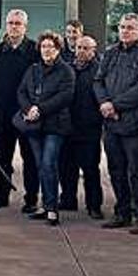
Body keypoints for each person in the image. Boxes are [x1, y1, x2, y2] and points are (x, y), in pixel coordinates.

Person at [95, 13, 138, 235]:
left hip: (135, 124)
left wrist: (115, 105)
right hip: (111, 124)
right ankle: (122, 212)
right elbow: (98, 80)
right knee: (116, 170)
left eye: (130, 28)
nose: (125, 31)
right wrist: (104, 102)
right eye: (122, 27)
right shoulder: (111, 53)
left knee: (137, 171)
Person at [0, 9, 40, 212]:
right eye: (10, 23)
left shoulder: (34, 50)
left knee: (30, 159)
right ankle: (1, 195)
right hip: (3, 116)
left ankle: (31, 199)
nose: (14, 27)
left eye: (18, 23)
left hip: (26, 116)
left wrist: (32, 109)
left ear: (25, 27)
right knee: (3, 158)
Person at [17, 31, 75, 225]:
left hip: (55, 125)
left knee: (49, 164)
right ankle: (45, 204)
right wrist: (29, 109)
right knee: (41, 165)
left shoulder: (66, 71)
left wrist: (39, 109)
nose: (47, 50)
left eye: (51, 46)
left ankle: (52, 208)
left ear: (58, 49)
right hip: (34, 125)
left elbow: (65, 97)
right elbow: (22, 91)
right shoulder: (33, 69)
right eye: (43, 46)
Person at [59, 35, 104, 219]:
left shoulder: (100, 71)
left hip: (89, 128)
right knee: (66, 167)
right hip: (67, 127)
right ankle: (68, 199)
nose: (81, 51)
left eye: (86, 48)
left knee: (90, 169)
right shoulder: (67, 68)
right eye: (78, 47)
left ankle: (94, 205)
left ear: (94, 51)